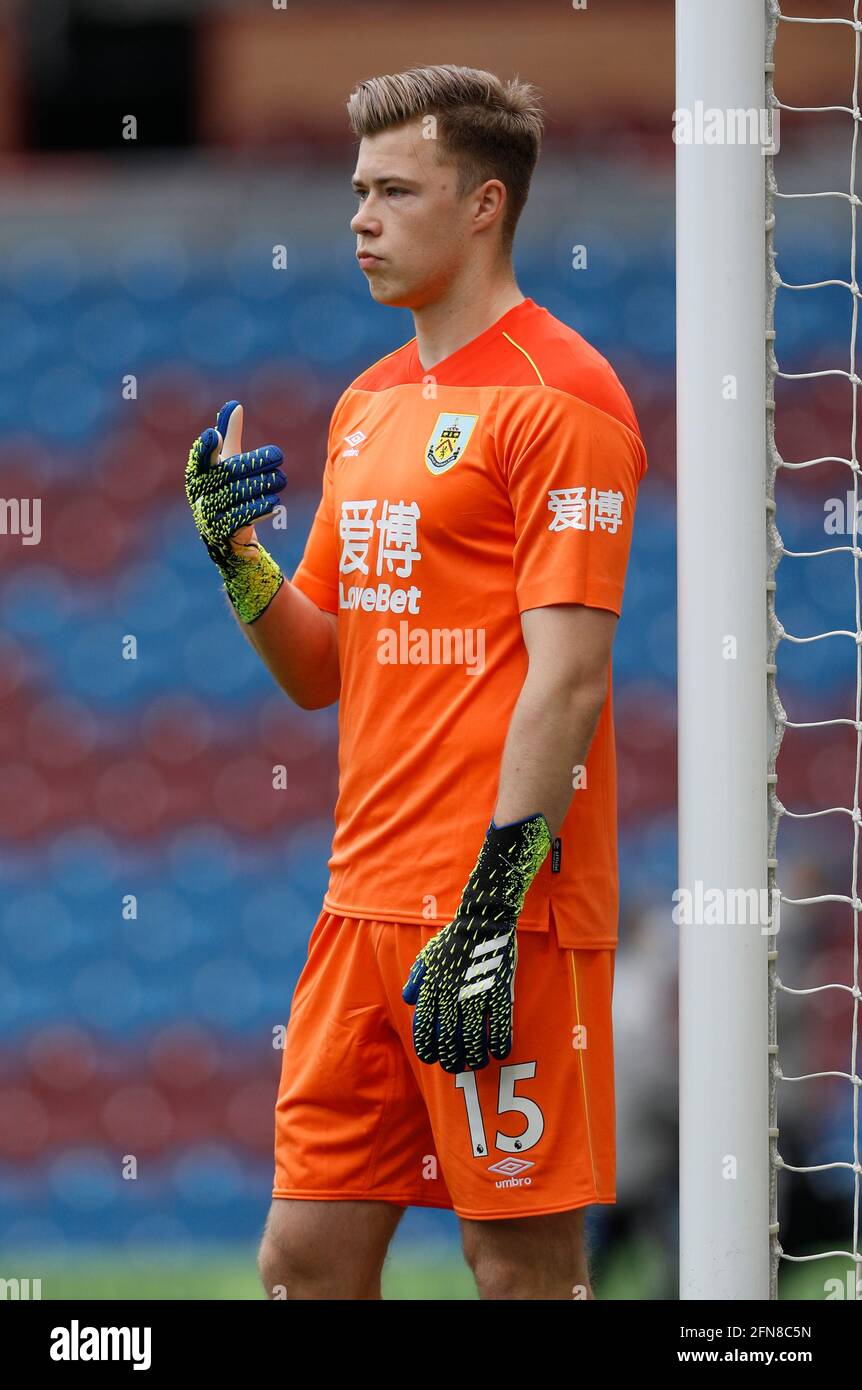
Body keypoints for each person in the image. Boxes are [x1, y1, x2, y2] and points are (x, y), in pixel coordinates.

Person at [184, 64, 647, 1300]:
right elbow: (319, 668)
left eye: (395, 189)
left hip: (504, 911)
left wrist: (489, 908)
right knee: (305, 1260)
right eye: (355, 190)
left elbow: (570, 676)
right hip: (361, 907)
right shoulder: (367, 405)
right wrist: (237, 557)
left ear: (484, 203)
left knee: (518, 1268)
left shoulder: (564, 398)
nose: (359, 217)